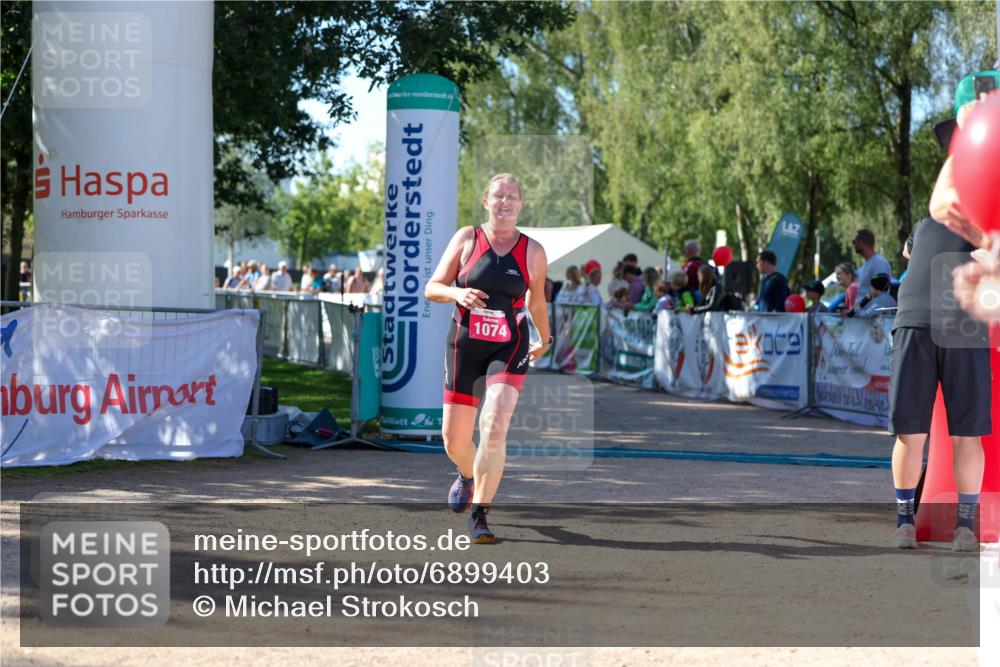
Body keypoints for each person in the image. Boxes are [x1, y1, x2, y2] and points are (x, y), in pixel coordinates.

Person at [889, 92, 991, 552]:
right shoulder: (932, 212)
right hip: (914, 317)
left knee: (967, 431)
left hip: (962, 322)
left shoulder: (988, 210)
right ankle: (904, 521)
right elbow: (910, 252)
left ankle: (965, 528)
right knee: (910, 431)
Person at [424, 173, 550, 544]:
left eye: (512, 196)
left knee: (494, 425)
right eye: (498, 196)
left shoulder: (533, 251)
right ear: (486, 201)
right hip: (465, 345)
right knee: (454, 440)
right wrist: (455, 294)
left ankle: (480, 514)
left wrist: (546, 336)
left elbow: (537, 300)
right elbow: (432, 287)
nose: (505, 202)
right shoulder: (467, 238)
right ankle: (467, 473)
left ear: (521, 205)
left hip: (508, 346)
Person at [852, 229, 894, 297]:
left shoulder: (879, 262)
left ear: (861, 242)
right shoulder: (867, 263)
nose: (853, 245)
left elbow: (880, 292)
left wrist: (862, 304)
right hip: (863, 307)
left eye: (854, 242)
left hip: (871, 307)